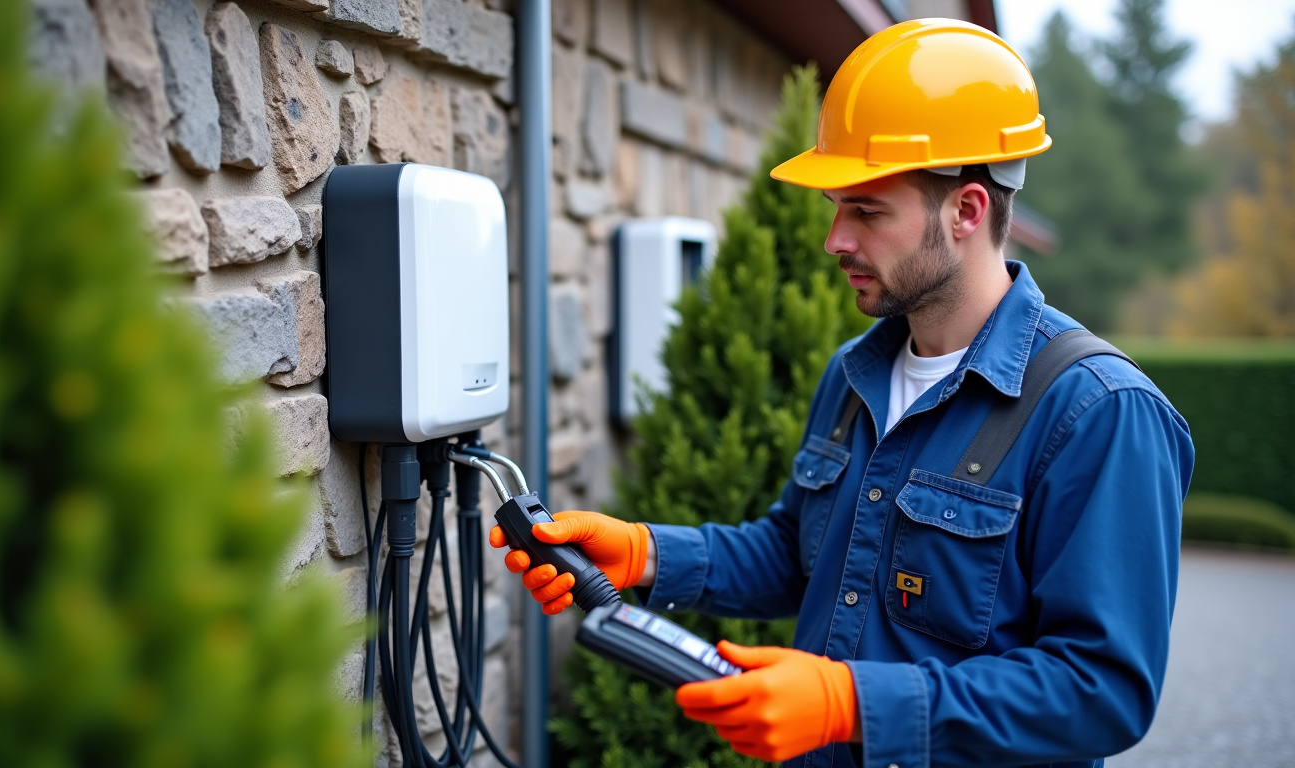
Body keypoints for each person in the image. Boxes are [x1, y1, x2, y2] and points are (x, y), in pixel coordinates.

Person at [491, 18, 1193, 768]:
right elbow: (800, 555)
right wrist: (644, 553)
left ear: (967, 211)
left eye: (867, 209)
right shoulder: (855, 374)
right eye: (837, 207)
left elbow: (1101, 691)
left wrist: (849, 704)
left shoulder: (1100, 412)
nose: (835, 240)